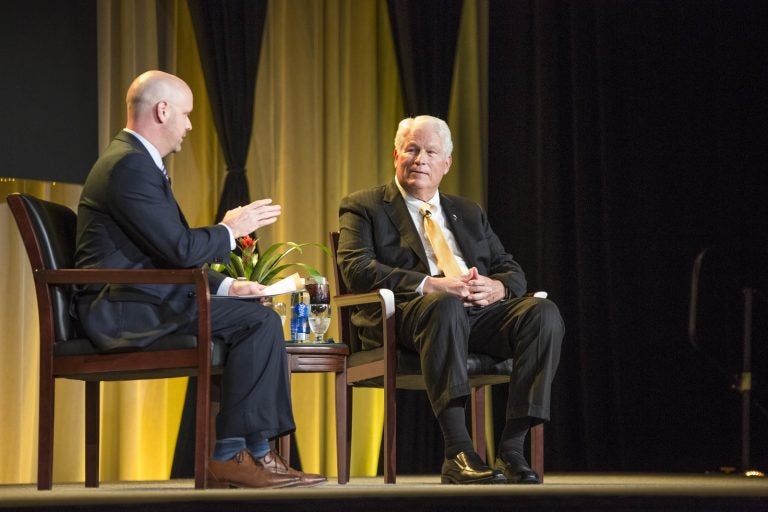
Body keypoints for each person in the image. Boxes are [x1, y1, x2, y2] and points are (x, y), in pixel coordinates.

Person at [74, 70, 325, 489]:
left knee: (254, 315)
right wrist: (230, 227)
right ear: (163, 110)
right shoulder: (128, 166)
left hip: (141, 296)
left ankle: (258, 451)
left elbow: (161, 255)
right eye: (187, 115)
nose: (190, 126)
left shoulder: (135, 162)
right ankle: (234, 453)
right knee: (258, 323)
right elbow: (179, 250)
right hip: (122, 308)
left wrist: (228, 287)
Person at [337, 115, 564, 485]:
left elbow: (511, 269)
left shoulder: (469, 211)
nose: (420, 159)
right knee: (443, 307)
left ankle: (511, 448)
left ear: (447, 164)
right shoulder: (365, 206)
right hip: (407, 318)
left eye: (430, 151)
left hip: (476, 315)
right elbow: (356, 269)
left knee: (543, 314)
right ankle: (458, 451)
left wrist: (497, 288)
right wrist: (431, 284)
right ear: (396, 155)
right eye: (411, 149)